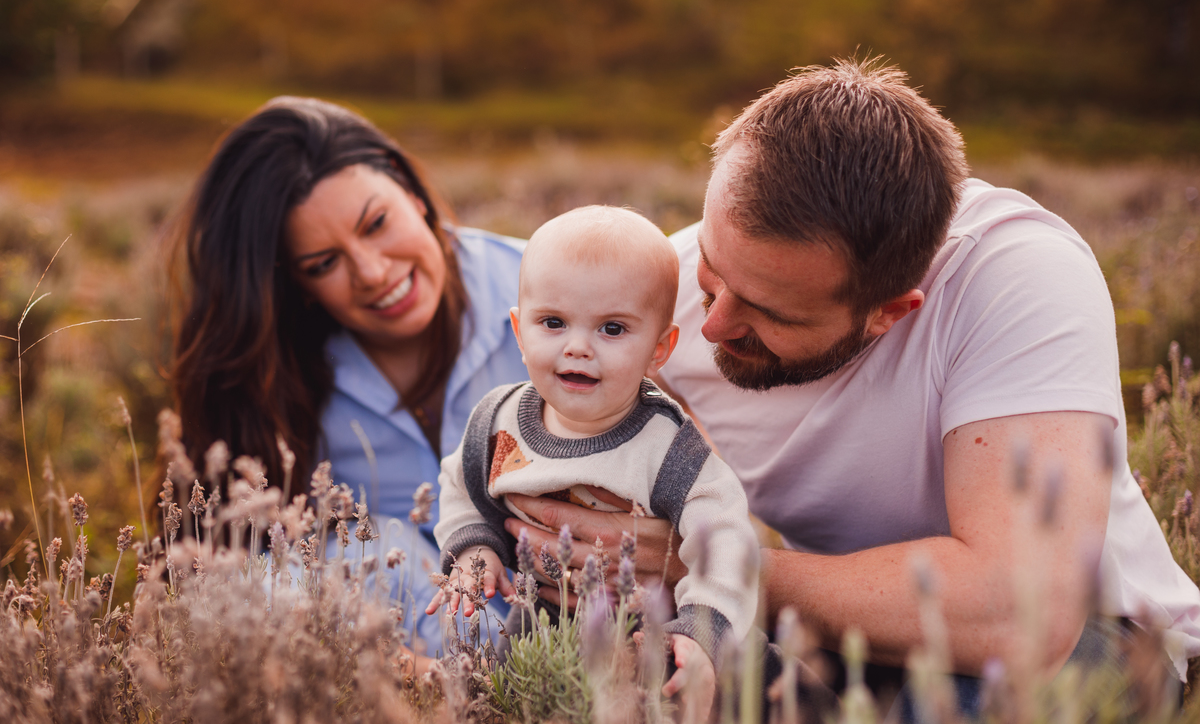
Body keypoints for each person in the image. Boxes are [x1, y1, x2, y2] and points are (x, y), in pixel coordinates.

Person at [503, 58, 1200, 715]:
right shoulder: (659, 298)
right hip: (838, 638)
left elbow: (1021, 616)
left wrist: (712, 562)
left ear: (890, 312)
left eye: (769, 314)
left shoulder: (1018, 277)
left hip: (1098, 643)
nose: (712, 325)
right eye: (713, 271)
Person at [170, 96, 528, 654]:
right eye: (323, 264)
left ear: (410, 191)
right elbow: (224, 574)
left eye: (378, 223)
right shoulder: (274, 377)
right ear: (294, 284)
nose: (373, 272)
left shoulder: (547, 293)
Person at [426, 206, 761, 705]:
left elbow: (727, 535)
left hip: (654, 634)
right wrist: (476, 549)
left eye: (612, 329)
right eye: (554, 322)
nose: (578, 347)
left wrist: (701, 632)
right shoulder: (498, 420)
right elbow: (462, 486)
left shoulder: (664, 444)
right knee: (500, 700)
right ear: (520, 333)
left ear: (659, 348)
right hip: (537, 626)